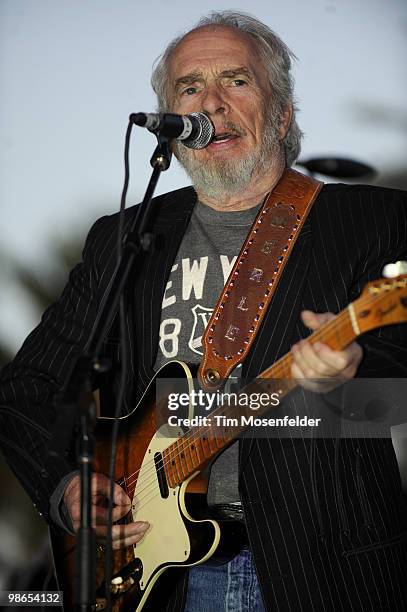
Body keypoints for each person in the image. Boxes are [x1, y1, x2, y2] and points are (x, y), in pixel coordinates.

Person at [1, 9, 407, 612]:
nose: (210, 102)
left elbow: (391, 390)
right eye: (190, 88)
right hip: (158, 576)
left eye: (236, 81)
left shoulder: (374, 220)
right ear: (171, 124)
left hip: (320, 564)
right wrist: (68, 488)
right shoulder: (125, 237)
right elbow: (24, 390)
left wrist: (353, 367)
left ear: (284, 114)